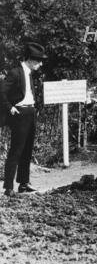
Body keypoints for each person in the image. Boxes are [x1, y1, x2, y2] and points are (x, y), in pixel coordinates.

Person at [2, 42, 47, 197]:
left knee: (27, 150)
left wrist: (34, 109)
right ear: (30, 59)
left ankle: (23, 183)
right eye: (39, 60)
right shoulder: (15, 72)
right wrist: (10, 107)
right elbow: (1, 92)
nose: (40, 64)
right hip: (19, 114)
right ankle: (8, 187)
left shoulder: (28, 74)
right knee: (16, 150)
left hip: (30, 112)